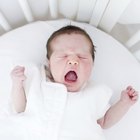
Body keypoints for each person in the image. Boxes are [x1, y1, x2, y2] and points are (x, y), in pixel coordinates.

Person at [11, 25, 139, 139]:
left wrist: (124, 103)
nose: (73, 61)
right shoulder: (38, 83)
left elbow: (105, 121)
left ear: (92, 66)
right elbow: (20, 108)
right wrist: (17, 85)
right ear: (49, 63)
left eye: (82, 57)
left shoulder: (95, 93)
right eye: (63, 56)